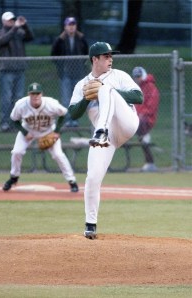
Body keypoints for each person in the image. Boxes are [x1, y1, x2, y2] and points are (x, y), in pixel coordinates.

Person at [68, 42, 143, 239]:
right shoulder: (81, 84)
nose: (111, 59)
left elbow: (139, 96)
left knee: (106, 88)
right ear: (95, 59)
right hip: (105, 139)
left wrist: (107, 90)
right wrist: (86, 97)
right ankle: (90, 224)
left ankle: (100, 130)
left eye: (111, 55)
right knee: (92, 177)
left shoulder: (119, 76)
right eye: (106, 55)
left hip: (126, 124)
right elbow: (73, 113)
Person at [2, 82, 79, 193]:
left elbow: (64, 114)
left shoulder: (51, 104)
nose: (35, 96)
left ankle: (72, 181)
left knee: (58, 155)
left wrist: (56, 131)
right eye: (33, 94)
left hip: (48, 131)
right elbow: (13, 120)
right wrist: (24, 132)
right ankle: (14, 177)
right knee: (16, 152)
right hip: (28, 130)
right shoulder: (21, 104)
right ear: (29, 94)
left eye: (37, 93)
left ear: (41, 94)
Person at [0, 11, 34, 132]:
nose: (12, 22)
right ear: (4, 21)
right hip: (6, 70)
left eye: (13, 20)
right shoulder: (0, 33)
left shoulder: (19, 32)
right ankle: (5, 123)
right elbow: (3, 40)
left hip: (19, 69)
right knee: (7, 98)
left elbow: (30, 37)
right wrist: (15, 27)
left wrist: (25, 25)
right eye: (9, 20)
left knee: (18, 98)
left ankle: (16, 123)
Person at [51, 16, 89, 127]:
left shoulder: (81, 38)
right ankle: (67, 120)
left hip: (78, 73)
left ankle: (75, 120)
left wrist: (81, 65)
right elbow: (54, 55)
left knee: (77, 98)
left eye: (73, 25)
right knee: (66, 98)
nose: (71, 27)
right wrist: (61, 66)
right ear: (65, 27)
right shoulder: (60, 39)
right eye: (69, 25)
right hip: (65, 73)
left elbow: (86, 53)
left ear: (76, 26)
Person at [132, 66, 160, 172]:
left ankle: (150, 162)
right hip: (138, 119)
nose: (137, 79)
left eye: (139, 76)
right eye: (135, 77)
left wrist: (142, 114)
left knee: (143, 137)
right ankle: (149, 162)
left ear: (142, 75)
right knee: (142, 139)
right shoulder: (137, 88)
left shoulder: (150, 87)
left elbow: (152, 106)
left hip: (147, 119)